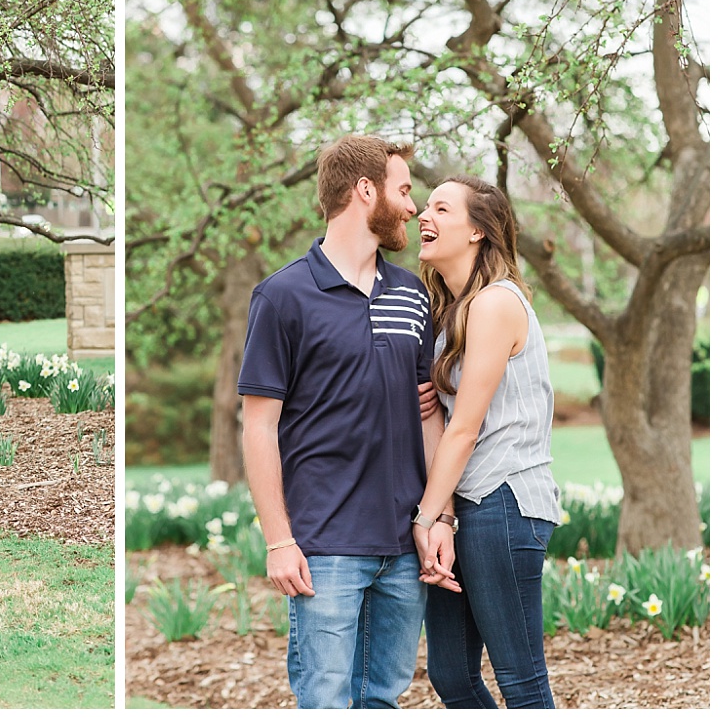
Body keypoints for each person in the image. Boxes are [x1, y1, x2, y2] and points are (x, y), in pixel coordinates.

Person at [238, 135, 456, 709]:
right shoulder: (282, 296)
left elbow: (428, 413)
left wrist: (440, 518)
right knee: (326, 702)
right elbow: (258, 427)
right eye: (404, 190)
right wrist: (278, 540)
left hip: (405, 548)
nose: (412, 207)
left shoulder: (411, 294)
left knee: (383, 700)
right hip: (324, 548)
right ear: (365, 191)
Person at [411, 176, 560, 708]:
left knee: (520, 680)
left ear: (477, 230)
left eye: (440, 209)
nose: (422, 216)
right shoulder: (443, 312)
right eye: (424, 206)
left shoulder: (496, 304)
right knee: (450, 676)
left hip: (504, 501)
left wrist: (426, 520)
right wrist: (443, 517)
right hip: (461, 507)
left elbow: (466, 427)